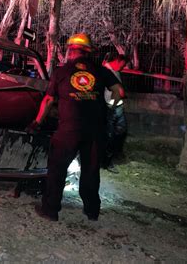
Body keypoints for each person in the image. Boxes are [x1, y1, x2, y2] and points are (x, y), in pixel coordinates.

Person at [27, 33, 124, 222]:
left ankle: (51, 210)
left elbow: (48, 100)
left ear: (71, 50)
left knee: (57, 169)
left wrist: (37, 122)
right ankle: (92, 211)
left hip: (68, 130)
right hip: (95, 131)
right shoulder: (100, 71)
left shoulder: (61, 72)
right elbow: (119, 92)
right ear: (87, 52)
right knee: (90, 171)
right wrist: (110, 109)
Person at [102, 53, 129, 173]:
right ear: (118, 61)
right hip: (110, 106)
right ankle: (107, 161)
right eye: (123, 65)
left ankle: (114, 156)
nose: (123, 68)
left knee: (120, 131)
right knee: (110, 135)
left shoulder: (115, 71)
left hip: (117, 106)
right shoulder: (106, 71)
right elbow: (118, 91)